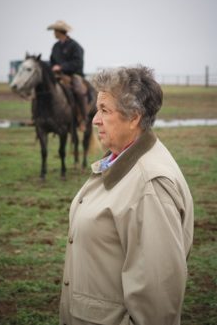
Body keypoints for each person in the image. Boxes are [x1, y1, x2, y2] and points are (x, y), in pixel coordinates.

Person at [59, 66, 194, 325]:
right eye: (96, 109)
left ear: (134, 117)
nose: (95, 119)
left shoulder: (149, 188)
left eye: (105, 110)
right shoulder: (120, 159)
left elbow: (157, 305)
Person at [47, 20, 88, 130]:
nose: (54, 33)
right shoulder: (55, 46)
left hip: (74, 75)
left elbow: (78, 62)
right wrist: (52, 68)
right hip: (58, 75)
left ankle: (83, 119)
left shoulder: (75, 46)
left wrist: (61, 67)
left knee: (79, 91)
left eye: (55, 31)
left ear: (61, 31)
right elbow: (51, 61)